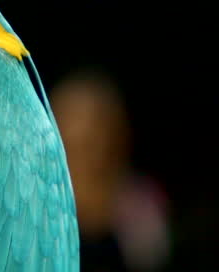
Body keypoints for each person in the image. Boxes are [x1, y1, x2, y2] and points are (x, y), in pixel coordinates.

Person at [52, 69, 171, 272]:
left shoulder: (140, 205)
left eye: (91, 138)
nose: (84, 154)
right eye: (73, 141)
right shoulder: (37, 205)